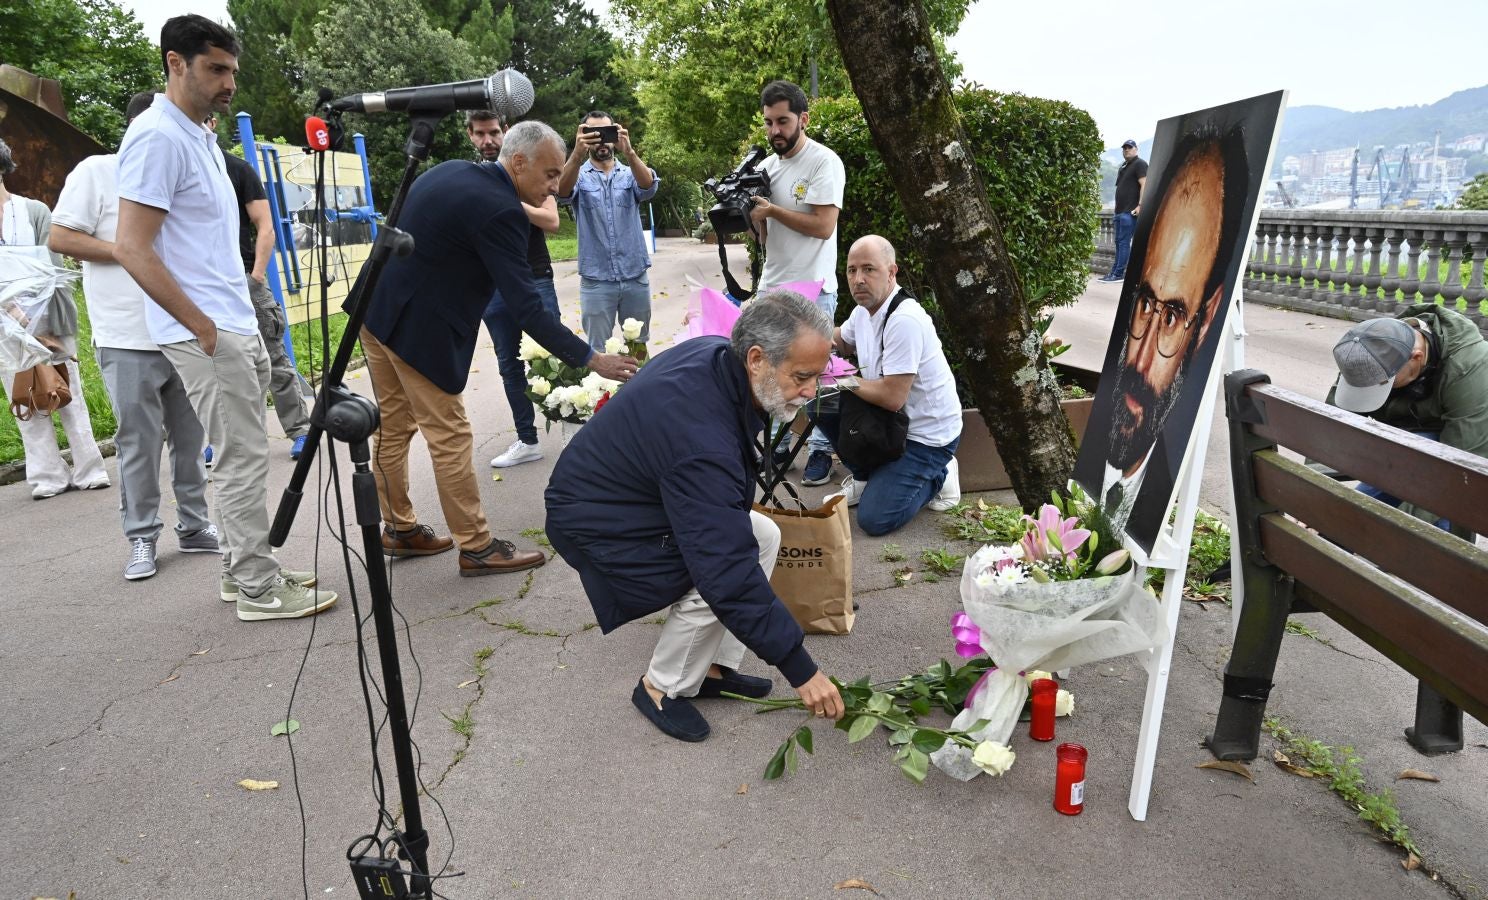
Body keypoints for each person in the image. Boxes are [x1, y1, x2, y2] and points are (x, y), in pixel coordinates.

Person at [545, 291, 845, 742]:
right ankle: (660, 688)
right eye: (802, 376)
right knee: (711, 575)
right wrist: (801, 670)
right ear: (757, 359)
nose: (810, 392)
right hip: (596, 521)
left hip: (628, 496)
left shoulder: (716, 355)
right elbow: (723, 569)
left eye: (817, 377)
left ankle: (713, 669)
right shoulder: (702, 442)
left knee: (759, 534)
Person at [113, 15, 335, 620]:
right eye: (215, 69)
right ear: (174, 63)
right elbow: (132, 246)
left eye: (232, 70)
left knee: (241, 453)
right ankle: (260, 590)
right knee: (238, 459)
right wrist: (201, 325)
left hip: (232, 320)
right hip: (207, 330)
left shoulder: (198, 136)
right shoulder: (156, 136)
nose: (228, 82)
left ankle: (244, 573)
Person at [358, 121, 638, 576]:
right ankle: (477, 547)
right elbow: (528, 309)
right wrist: (593, 358)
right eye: (549, 175)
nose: (553, 187)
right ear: (519, 162)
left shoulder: (453, 170)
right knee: (449, 434)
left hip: (376, 310)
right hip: (416, 329)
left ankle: (398, 527)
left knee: (393, 424)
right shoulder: (501, 210)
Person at [50, 92, 218, 580]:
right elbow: (61, 237)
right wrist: (127, 251)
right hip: (126, 336)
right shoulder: (97, 171)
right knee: (138, 443)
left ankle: (194, 525)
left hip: (183, 330)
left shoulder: (186, 169)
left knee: (191, 441)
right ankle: (142, 536)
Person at [1090, 132, 1247, 536]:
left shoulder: (1162, 475)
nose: (1139, 360)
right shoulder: (1089, 461)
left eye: (1174, 316)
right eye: (1144, 302)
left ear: (1208, 317)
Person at [815, 236, 962, 536]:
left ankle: (939, 476)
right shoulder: (864, 311)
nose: (858, 279)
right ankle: (866, 475)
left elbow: (893, 397)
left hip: (925, 436)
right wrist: (801, 337)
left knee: (874, 520)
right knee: (819, 401)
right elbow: (840, 339)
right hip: (892, 424)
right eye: (852, 270)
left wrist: (841, 378)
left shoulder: (904, 320)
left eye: (869, 269)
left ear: (892, 272)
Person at [0, 137, 110, 500]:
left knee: (69, 392)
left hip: (49, 317)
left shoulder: (33, 211)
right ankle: (47, 476)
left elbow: (53, 270)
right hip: (5, 327)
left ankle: (90, 469)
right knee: (26, 398)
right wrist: (16, 318)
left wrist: (51, 329)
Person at [750, 80, 847, 487]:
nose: (775, 130)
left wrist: (773, 209)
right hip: (773, 287)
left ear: (803, 119)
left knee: (817, 377)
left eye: (783, 121)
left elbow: (824, 226)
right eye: (770, 122)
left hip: (814, 290)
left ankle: (821, 452)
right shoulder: (765, 169)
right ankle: (776, 447)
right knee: (769, 375)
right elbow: (768, 240)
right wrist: (756, 221)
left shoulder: (824, 162)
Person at [1330, 306, 1488, 540]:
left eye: (1383, 385)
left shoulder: (1471, 367)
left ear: (1417, 357)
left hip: (1465, 443)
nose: (1372, 392)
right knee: (1345, 516)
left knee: (1439, 508)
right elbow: (1332, 430)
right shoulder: (1371, 348)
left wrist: (1394, 531)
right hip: (1409, 441)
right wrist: (1317, 498)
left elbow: (1460, 471)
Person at [465, 111, 566, 470]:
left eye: (494, 132)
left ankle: (573, 436)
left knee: (553, 356)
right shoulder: (472, 176)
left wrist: (502, 200)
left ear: (507, 135)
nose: (488, 140)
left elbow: (551, 219)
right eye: (481, 134)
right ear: (471, 136)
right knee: (510, 365)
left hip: (535, 275)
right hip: (493, 284)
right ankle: (528, 440)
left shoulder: (532, 172)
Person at [213, 118, 312, 461]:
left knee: (273, 356)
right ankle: (220, 439)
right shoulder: (178, 169)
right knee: (213, 365)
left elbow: (265, 227)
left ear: (211, 123)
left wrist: (255, 276)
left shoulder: (237, 169)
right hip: (204, 286)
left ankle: (300, 429)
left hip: (244, 277)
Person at [558, 110, 658, 352]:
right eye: (593, 134)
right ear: (583, 137)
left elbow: (648, 187)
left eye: (607, 132)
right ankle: (605, 392)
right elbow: (561, 193)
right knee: (598, 350)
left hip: (634, 275)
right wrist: (576, 153)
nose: (601, 140)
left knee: (638, 346)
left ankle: (637, 390)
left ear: (616, 134)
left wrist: (630, 152)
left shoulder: (629, 172)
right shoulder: (578, 175)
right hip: (596, 280)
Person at [1101, 139, 1147, 283]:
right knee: (1119, 242)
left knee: (1124, 242)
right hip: (1119, 212)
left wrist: (1140, 205)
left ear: (1136, 149)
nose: (1126, 150)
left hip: (1130, 212)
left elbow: (1145, 184)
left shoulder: (1140, 164)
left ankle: (1119, 274)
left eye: (1129, 147)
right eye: (1124, 148)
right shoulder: (1124, 166)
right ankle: (1114, 272)